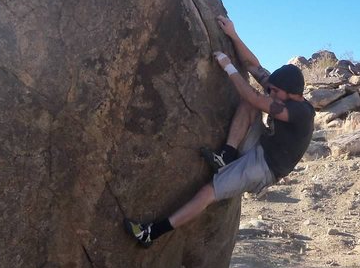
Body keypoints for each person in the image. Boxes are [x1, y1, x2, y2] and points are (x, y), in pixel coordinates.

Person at [123, 15, 315, 247]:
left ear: (290, 93)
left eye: (275, 92)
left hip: (265, 168)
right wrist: (233, 34)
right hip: (262, 145)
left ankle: (151, 234)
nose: (270, 93)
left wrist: (228, 67)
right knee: (249, 105)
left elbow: (252, 95)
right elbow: (253, 65)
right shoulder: (282, 92)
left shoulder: (300, 112)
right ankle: (227, 154)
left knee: (207, 193)